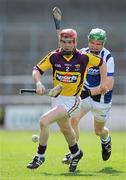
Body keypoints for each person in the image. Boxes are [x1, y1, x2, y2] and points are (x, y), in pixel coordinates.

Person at [27, 28, 107, 172]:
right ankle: (76, 152)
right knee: (65, 129)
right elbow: (37, 69)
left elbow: (101, 63)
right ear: (60, 41)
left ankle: (40, 156)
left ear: (75, 42)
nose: (67, 45)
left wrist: (103, 83)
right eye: (64, 42)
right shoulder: (54, 56)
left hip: (73, 101)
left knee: (44, 121)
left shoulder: (84, 57)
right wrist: (38, 83)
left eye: (70, 42)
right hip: (57, 99)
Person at [62, 28, 114, 164]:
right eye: (92, 42)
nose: (95, 46)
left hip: (101, 98)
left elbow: (108, 85)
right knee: (73, 120)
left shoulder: (107, 57)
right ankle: (74, 152)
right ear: (88, 41)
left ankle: (106, 139)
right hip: (84, 94)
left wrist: (89, 92)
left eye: (98, 43)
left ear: (103, 44)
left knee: (98, 130)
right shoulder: (83, 53)